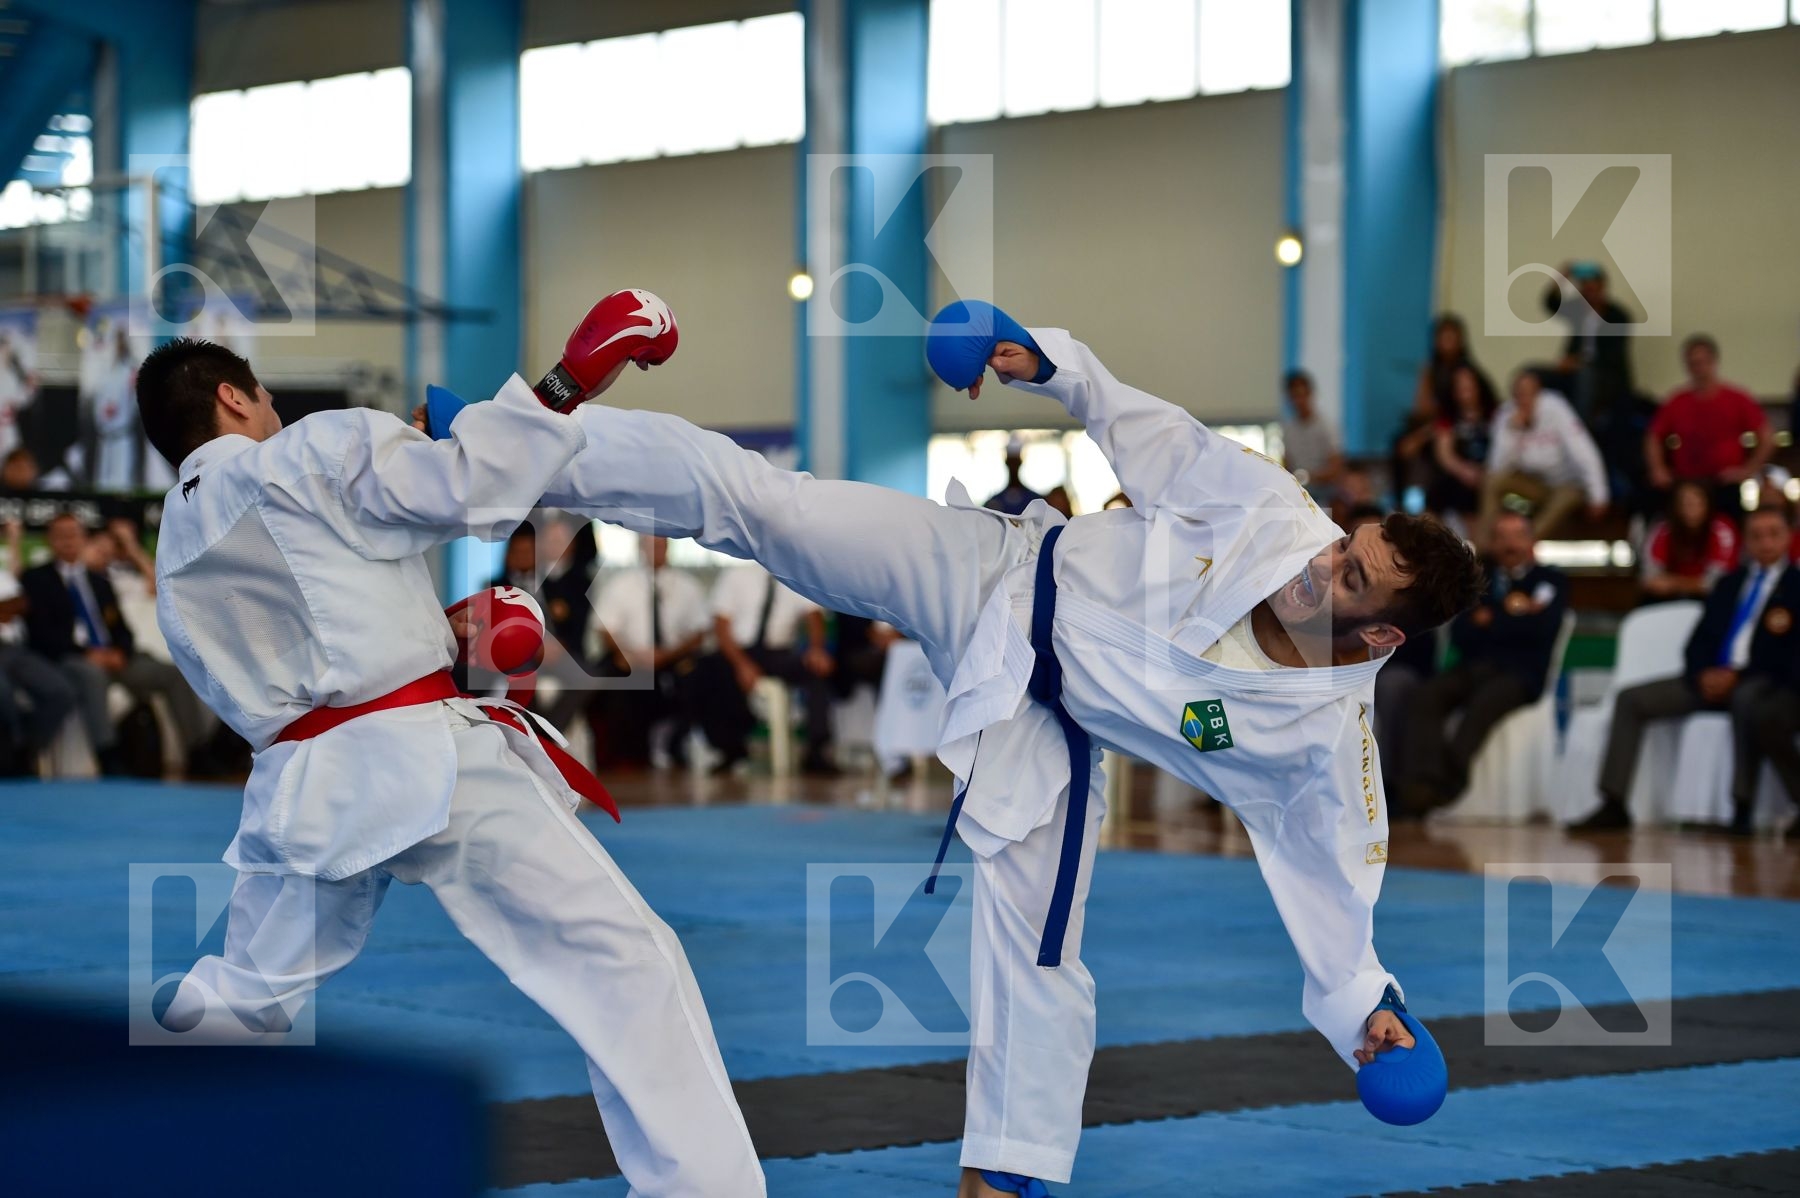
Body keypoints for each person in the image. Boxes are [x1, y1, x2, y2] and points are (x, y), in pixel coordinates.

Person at [445, 302, 1482, 1195]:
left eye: (1351, 581)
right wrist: (1036, 354)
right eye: (1347, 547)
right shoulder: (1268, 511)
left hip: (1049, 724)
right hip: (993, 573)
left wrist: (1369, 1012)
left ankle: (1003, 1175)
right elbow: (1139, 422)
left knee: (1039, 952)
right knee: (768, 504)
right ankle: (518, 440)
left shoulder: (1321, 747)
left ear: (1383, 636)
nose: (1323, 568)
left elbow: (1334, 878)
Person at [136, 327, 764, 1194]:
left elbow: (307, 650)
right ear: (235, 398)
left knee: (244, 996)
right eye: (268, 399)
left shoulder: (172, 549)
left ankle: (102, 1130)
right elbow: (465, 488)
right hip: (426, 765)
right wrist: (565, 380)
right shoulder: (309, 449)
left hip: (303, 793)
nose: (278, 411)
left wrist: (437, 634)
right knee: (622, 962)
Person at [1579, 505, 1800, 835]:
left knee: (1748, 700)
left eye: (1773, 534)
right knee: (1631, 699)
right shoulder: (1729, 584)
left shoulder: (1796, 587)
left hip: (1761, 684)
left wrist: (1738, 676)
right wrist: (1704, 674)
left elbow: (1791, 655)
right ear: (1746, 542)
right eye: (1757, 536)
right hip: (1708, 681)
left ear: (1788, 538)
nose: (1765, 543)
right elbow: (1698, 642)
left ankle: (1741, 810)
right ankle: (1614, 802)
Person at [1396, 511, 1569, 817]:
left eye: (1517, 535)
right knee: (1427, 694)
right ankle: (1420, 784)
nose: (1510, 544)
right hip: (1474, 667)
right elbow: (1462, 632)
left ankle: (1448, 784)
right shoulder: (1478, 579)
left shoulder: (1551, 580)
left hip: (1521, 674)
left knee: (1484, 704)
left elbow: (1542, 630)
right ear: (1491, 542)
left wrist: (1491, 620)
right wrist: (1514, 618)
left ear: (1531, 541)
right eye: (1502, 536)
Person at [20, 512, 213, 776]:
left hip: (116, 658)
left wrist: (120, 651)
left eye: (73, 534)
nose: (67, 541)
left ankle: (199, 752)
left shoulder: (99, 582)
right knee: (91, 676)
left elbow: (121, 628)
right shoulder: (35, 579)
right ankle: (109, 757)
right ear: (50, 541)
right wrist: (88, 653)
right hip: (72, 659)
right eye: (60, 536)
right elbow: (41, 634)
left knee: (172, 673)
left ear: (83, 538)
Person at [700, 563, 838, 776]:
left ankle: (817, 750)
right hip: (738, 651)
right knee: (709, 671)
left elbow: (813, 615)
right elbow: (721, 625)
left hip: (778, 652)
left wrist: (816, 648)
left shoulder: (795, 576)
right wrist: (742, 664)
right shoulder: (736, 576)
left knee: (816, 669)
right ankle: (730, 748)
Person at [592, 534, 710, 767]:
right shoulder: (620, 584)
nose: (656, 550)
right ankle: (628, 755)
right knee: (610, 679)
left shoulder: (688, 586)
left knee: (706, 673)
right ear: (640, 548)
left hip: (675, 659)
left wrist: (668, 655)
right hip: (631, 660)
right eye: (651, 545)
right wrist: (628, 654)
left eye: (661, 545)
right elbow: (605, 629)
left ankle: (681, 743)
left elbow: (699, 632)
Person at [1645, 334, 1772, 521]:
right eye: (1693, 363)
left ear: (1714, 362)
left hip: (1725, 483)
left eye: (1703, 362)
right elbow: (1653, 436)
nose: (1699, 369)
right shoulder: (1677, 401)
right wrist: (1658, 469)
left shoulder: (1736, 398)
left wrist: (1748, 470)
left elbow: (1767, 436)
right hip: (1689, 483)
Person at [1477, 370, 1609, 545]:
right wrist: (1513, 431)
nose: (1525, 399)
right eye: (1519, 394)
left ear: (1539, 392)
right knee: (1491, 481)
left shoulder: (1556, 408)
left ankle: (1524, 543)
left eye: (1530, 393)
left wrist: (1599, 495)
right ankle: (1486, 549)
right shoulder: (1506, 415)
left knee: (1567, 497)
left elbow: (1583, 450)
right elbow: (1496, 467)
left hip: (1565, 484)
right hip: (1533, 484)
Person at [1640, 481, 1738, 603]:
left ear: (1708, 504)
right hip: (1670, 599)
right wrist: (1692, 584)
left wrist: (1675, 583)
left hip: (1710, 600)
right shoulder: (1663, 529)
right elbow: (1650, 579)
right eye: (1685, 503)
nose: (1691, 509)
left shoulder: (1722, 529)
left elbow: (1718, 583)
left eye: (1697, 503)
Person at [1430, 364, 1498, 525]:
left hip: (1490, 471)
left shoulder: (1496, 413)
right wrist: (1464, 471)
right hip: (1460, 473)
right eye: (1460, 387)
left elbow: (1505, 447)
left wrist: (1486, 471)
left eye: (1469, 386)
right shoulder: (1448, 418)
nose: (1465, 392)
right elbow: (1444, 454)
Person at [1280, 369, 1344, 501]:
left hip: (1326, 491)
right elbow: (1286, 465)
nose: (1298, 401)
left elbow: (1336, 466)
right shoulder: (1288, 429)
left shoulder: (1326, 426)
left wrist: (1310, 477)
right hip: (1298, 492)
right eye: (1294, 397)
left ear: (1310, 394)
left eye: (1301, 395)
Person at [984, 434, 1043, 515]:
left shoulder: (1035, 500)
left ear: (1020, 462)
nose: (1013, 467)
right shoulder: (995, 502)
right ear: (1006, 462)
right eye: (1011, 462)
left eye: (1015, 462)